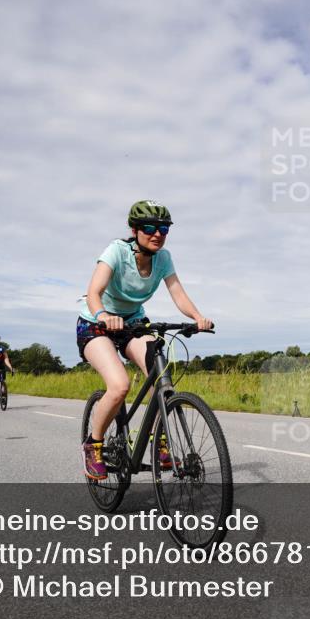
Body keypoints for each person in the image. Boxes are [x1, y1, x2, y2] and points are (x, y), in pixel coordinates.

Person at [76, 200, 213, 480]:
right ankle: (94, 444)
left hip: (133, 323)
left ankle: (158, 441)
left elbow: (178, 293)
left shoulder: (163, 258)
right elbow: (93, 292)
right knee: (119, 386)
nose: (157, 234)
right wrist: (102, 314)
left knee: (160, 374)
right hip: (96, 324)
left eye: (163, 228)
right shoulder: (116, 251)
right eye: (150, 228)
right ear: (135, 230)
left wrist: (198, 317)